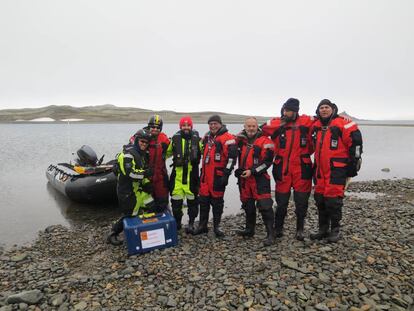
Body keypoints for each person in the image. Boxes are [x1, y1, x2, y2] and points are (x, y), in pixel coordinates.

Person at [261, 98, 314, 240]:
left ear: (296, 111)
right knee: (281, 202)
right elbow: (258, 130)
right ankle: (278, 229)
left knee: (301, 202)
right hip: (282, 168)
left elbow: (325, 120)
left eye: (289, 110)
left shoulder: (307, 120)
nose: (286, 112)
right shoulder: (277, 122)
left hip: (302, 168)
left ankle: (300, 229)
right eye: (285, 110)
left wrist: (342, 117)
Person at [310, 99, 363, 242]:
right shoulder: (315, 125)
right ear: (318, 110)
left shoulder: (343, 123)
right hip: (320, 170)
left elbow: (356, 145)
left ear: (332, 109)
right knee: (320, 199)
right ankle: (323, 229)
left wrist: (353, 166)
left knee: (333, 201)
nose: (324, 110)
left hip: (337, 170)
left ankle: (335, 230)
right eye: (321, 108)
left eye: (326, 107)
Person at [107, 129, 156, 245]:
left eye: (146, 143)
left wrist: (147, 183)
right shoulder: (127, 155)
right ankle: (113, 233)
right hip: (127, 191)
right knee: (130, 214)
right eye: (142, 141)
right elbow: (131, 174)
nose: (144, 144)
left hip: (138, 190)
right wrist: (146, 174)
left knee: (151, 205)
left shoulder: (142, 155)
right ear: (137, 140)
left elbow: (141, 171)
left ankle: (143, 230)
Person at [193, 115, 237, 237]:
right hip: (205, 176)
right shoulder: (208, 137)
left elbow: (232, 158)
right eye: (210, 124)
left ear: (220, 124)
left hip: (217, 176)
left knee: (217, 203)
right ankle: (202, 226)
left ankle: (217, 227)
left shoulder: (228, 138)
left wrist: (226, 174)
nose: (213, 126)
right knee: (203, 201)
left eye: (215, 124)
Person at [235, 117, 275, 246]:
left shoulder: (266, 141)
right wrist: (238, 171)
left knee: (265, 206)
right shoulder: (240, 141)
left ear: (257, 126)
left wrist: (253, 171)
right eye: (248, 126)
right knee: (248, 205)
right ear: (244, 127)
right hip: (245, 180)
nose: (251, 128)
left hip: (260, 179)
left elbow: (267, 162)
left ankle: (270, 234)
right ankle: (249, 229)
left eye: (253, 126)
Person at [166, 116, 202, 233]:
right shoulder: (174, 140)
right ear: (180, 127)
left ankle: (191, 223)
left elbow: (207, 152)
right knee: (176, 204)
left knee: (193, 204)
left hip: (192, 178)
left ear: (191, 126)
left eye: (188, 125)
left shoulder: (198, 140)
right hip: (177, 178)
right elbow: (166, 153)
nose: (186, 127)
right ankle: (177, 223)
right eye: (183, 125)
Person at [130, 115, 170, 210]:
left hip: (160, 175)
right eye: (153, 127)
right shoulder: (141, 136)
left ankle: (164, 220)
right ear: (149, 126)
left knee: (162, 201)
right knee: (147, 203)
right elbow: (130, 149)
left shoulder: (164, 138)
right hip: (145, 176)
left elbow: (173, 148)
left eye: (157, 127)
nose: (155, 129)